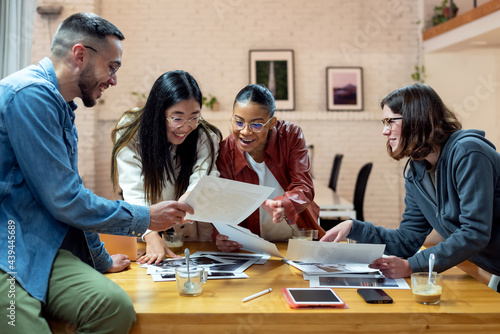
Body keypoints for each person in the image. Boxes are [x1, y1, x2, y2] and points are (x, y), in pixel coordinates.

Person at [0, 13, 194, 333]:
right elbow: (66, 200)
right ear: (79, 56)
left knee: (114, 308)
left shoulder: (62, 106)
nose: (114, 79)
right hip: (8, 251)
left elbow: (71, 195)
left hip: (42, 248)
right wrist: (146, 218)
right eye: (112, 66)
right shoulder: (29, 96)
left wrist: (101, 260)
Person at [320, 83, 500, 291]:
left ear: (416, 119)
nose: (384, 131)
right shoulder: (417, 170)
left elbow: (474, 233)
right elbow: (407, 240)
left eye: (390, 121)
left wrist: (412, 266)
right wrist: (355, 228)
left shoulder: (469, 153)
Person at [111, 70, 222, 264]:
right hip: (146, 235)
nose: (186, 127)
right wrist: (151, 233)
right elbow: (133, 188)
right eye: (177, 118)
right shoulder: (132, 130)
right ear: (158, 113)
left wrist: (191, 198)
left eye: (194, 117)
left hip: (189, 235)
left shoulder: (205, 136)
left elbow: (203, 178)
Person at [215, 84, 324, 252]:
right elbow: (223, 204)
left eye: (256, 125)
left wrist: (283, 204)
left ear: (272, 122)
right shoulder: (226, 151)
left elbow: (305, 188)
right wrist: (220, 236)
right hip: (253, 245)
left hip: (297, 238)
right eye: (238, 122)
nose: (245, 131)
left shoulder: (291, 136)